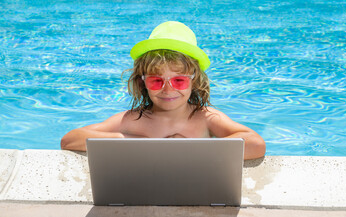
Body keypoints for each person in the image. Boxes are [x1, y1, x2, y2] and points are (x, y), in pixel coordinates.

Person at [61, 21, 266, 160]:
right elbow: (70, 139)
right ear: (142, 84)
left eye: (178, 80)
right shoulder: (132, 120)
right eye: (156, 81)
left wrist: (193, 149)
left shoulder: (205, 118)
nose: (168, 89)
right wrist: (132, 141)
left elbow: (256, 144)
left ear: (193, 82)